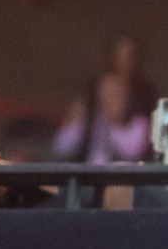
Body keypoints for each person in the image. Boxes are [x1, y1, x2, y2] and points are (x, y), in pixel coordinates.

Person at [55, 35, 157, 164]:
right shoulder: (90, 117)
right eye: (106, 93)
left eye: (116, 94)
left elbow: (134, 151)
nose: (109, 98)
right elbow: (61, 148)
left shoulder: (139, 116)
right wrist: (75, 121)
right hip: (87, 174)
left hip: (122, 175)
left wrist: (114, 124)